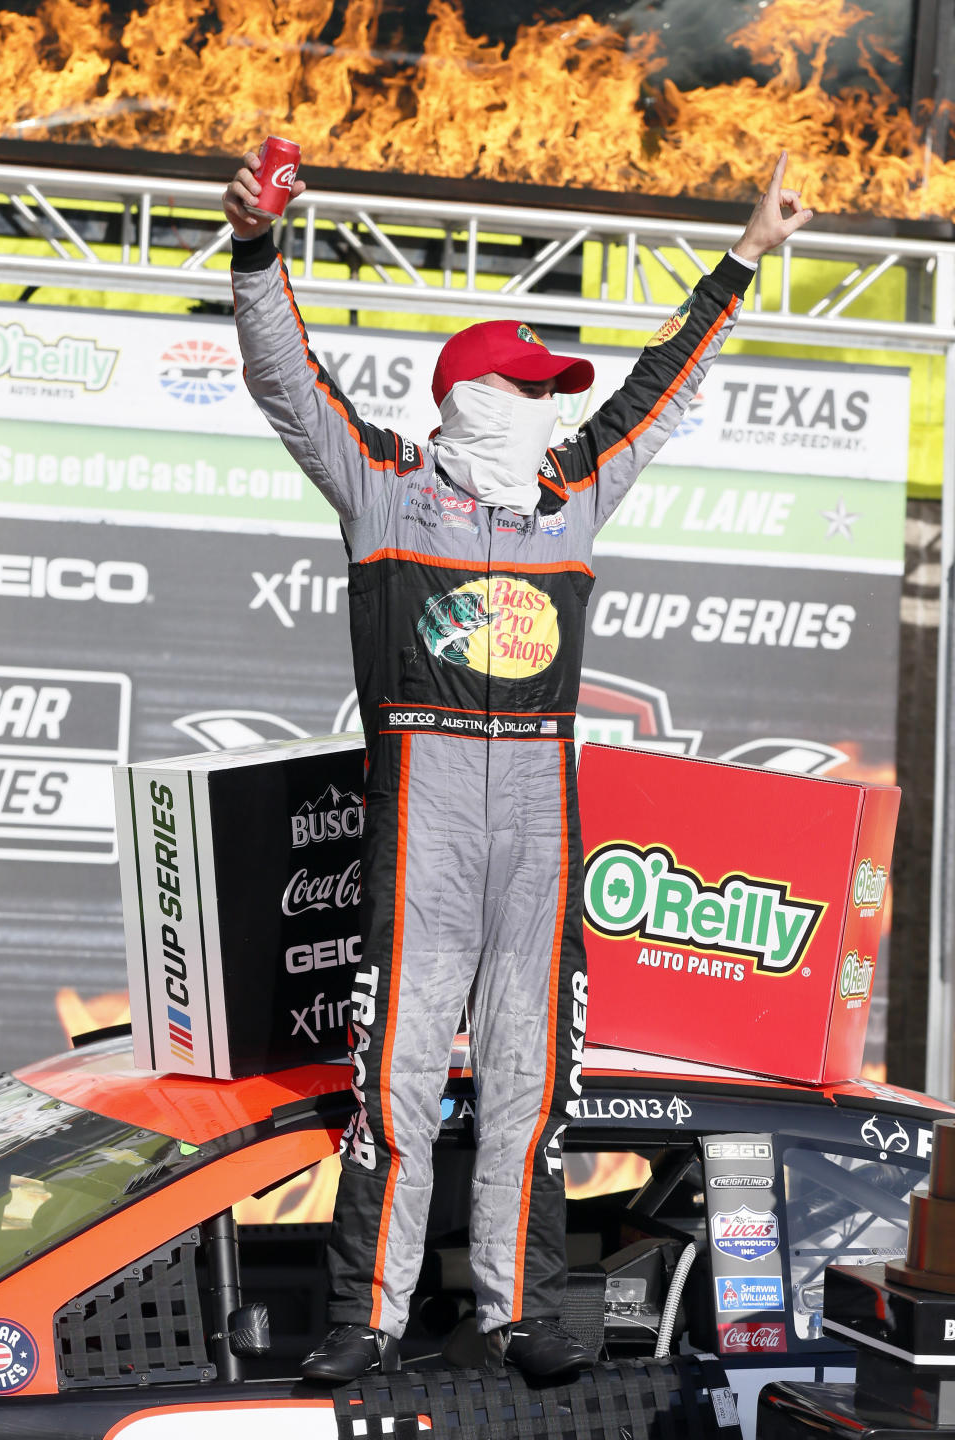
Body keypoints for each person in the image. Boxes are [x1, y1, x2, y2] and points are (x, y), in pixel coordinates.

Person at [222, 151, 812, 1385]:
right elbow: (291, 385)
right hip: (423, 816)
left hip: (542, 818)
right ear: (466, 398)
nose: (546, 409)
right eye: (528, 387)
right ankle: (366, 1319)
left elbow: (660, 388)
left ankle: (517, 1310)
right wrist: (260, 253)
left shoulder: (574, 496)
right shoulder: (384, 489)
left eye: (552, 392)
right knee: (394, 1084)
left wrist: (746, 254)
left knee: (531, 1086)